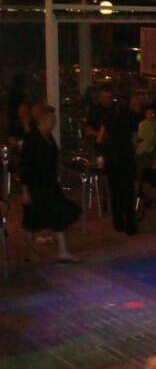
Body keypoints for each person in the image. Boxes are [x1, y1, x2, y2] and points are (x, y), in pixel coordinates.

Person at [20, 105, 81, 263]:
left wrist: (59, 173)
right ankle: (30, 251)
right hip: (35, 185)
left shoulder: (49, 137)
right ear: (43, 120)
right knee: (32, 220)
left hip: (50, 184)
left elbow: (54, 158)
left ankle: (63, 251)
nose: (54, 123)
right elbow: (24, 166)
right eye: (52, 120)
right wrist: (25, 191)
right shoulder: (32, 139)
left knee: (59, 213)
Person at [101, 101, 138, 235]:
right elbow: (134, 139)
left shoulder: (108, 118)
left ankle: (118, 223)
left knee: (115, 192)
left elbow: (100, 138)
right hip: (125, 156)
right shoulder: (130, 117)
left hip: (112, 156)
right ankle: (130, 224)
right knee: (128, 192)